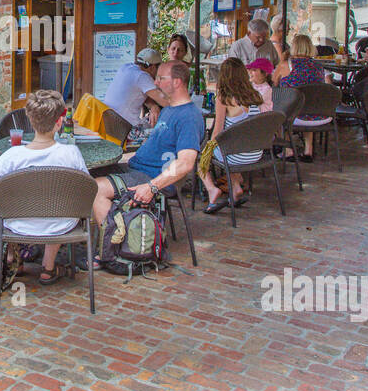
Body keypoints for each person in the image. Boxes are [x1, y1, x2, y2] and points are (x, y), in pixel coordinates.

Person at [90, 60, 204, 264]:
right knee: (83, 176)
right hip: (137, 168)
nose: (156, 82)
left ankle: (113, 251)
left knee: (95, 188)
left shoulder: (188, 116)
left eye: (161, 78)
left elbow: (186, 163)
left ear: (177, 82)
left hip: (150, 177)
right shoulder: (170, 108)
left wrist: (152, 186)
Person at [0, 89, 89, 286]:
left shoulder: (12, 156)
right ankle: (48, 267)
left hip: (16, 225)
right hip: (61, 226)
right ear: (59, 122)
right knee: (60, 199)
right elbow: (85, 191)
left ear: (29, 119)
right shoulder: (71, 153)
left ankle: (12, 256)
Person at [199, 59, 265, 214]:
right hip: (255, 152)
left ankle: (211, 190)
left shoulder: (224, 98)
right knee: (232, 146)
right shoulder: (255, 96)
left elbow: (217, 131)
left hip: (235, 155)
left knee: (200, 160)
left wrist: (206, 151)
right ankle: (235, 189)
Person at [274, 34, 328, 161]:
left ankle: (287, 150)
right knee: (307, 102)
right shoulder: (319, 67)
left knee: (284, 107)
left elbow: (273, 83)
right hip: (318, 115)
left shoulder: (285, 65)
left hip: (294, 117)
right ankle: (308, 150)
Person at [102, 47, 167, 125]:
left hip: (108, 123)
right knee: (160, 132)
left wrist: (153, 106)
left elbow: (140, 94)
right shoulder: (142, 76)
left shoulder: (126, 67)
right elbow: (164, 101)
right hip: (122, 128)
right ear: (153, 67)